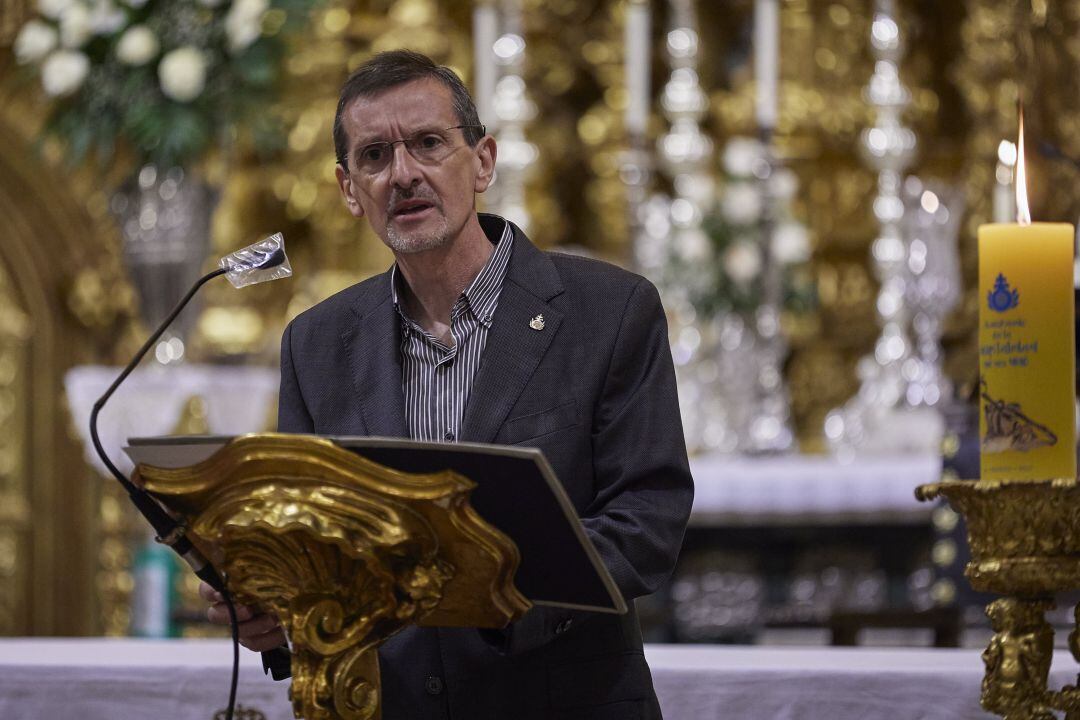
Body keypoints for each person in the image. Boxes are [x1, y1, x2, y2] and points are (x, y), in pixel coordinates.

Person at [202, 49, 693, 720]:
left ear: (483, 161)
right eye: (374, 156)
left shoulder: (609, 313)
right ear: (349, 190)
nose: (403, 174)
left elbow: (646, 524)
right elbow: (316, 545)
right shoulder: (316, 343)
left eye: (428, 144)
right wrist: (273, 608)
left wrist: (482, 595)